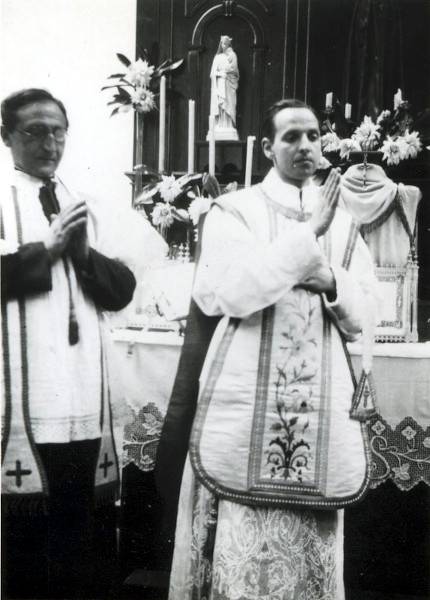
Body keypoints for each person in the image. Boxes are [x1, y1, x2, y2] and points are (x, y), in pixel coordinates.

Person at [166, 98, 378, 599]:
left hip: (318, 414)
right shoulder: (233, 211)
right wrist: (309, 239)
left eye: (313, 136)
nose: (306, 146)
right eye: (291, 137)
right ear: (266, 147)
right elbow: (229, 293)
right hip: (245, 410)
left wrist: (328, 279)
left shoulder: (346, 225)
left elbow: (369, 313)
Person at [0, 88, 137, 599]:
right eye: (35, 131)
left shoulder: (85, 198)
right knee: (25, 550)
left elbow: (122, 290)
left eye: (58, 130)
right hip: (21, 403)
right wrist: (47, 250)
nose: (50, 142)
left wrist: (81, 256)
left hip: (80, 398)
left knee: (81, 540)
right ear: (6, 135)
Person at [209, 35, 239, 139]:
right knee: (220, 104)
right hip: (220, 83)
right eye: (222, 43)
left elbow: (235, 70)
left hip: (228, 84)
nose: (224, 45)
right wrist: (220, 74)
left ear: (229, 44)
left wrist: (227, 72)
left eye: (226, 43)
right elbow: (212, 73)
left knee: (228, 104)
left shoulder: (232, 55)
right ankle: (220, 124)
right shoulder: (218, 57)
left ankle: (228, 125)